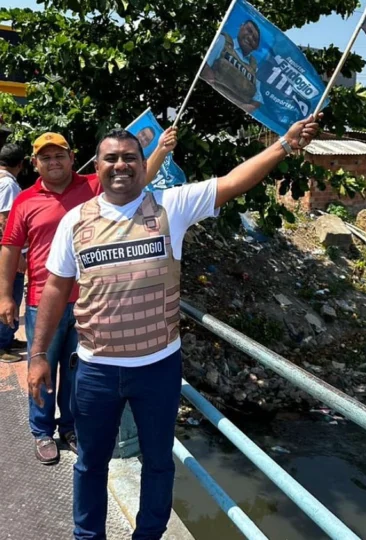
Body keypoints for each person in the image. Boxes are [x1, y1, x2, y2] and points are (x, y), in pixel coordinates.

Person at [27, 115, 318, 539]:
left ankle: (149, 534)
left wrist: (284, 145)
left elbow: (235, 181)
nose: (120, 165)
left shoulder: (171, 205)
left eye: (130, 158)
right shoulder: (75, 221)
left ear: (144, 165)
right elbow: (54, 289)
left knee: (159, 461)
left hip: (158, 368)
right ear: (96, 164)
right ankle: (87, 535)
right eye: (111, 158)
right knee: (90, 461)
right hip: (95, 371)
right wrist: (37, 355)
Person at [0, 131, 175, 465]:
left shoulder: (93, 185)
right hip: (44, 300)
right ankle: (41, 431)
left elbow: (139, 179)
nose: (53, 162)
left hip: (90, 301)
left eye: (59, 155)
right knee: (41, 366)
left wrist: (162, 152)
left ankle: (68, 427)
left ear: (72, 157)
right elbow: (8, 249)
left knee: (75, 372)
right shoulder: (25, 200)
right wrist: (4, 296)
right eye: (45, 157)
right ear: (35, 164)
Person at [201, 19, 263, 114]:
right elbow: (205, 68)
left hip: (233, 115)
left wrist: (242, 108)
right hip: (208, 104)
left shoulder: (255, 67)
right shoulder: (222, 41)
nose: (250, 37)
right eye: (249, 30)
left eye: (255, 39)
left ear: (256, 47)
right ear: (241, 27)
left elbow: (257, 99)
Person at [0, 143, 26, 361]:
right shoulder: (8, 184)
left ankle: (8, 337)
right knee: (11, 295)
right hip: (6, 250)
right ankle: (2, 344)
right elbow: (6, 221)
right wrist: (16, 254)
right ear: (21, 164)